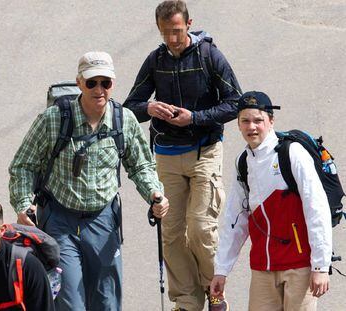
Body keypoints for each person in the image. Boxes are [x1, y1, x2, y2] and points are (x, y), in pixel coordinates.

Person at [9, 51, 169, 311]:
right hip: (60, 221)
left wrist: (154, 194)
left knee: (107, 302)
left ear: (113, 84)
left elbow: (141, 165)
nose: (99, 89)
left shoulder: (123, 120)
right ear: (79, 82)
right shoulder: (54, 119)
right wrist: (23, 204)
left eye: (105, 83)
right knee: (70, 303)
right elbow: (23, 165)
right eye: (92, 82)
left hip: (103, 222)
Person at [123, 1, 242, 310]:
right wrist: (149, 107)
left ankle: (214, 291)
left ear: (190, 24)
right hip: (166, 155)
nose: (172, 39)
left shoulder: (209, 56)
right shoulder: (155, 60)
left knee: (201, 227)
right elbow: (129, 107)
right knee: (171, 233)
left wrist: (196, 117)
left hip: (205, 150)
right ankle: (187, 301)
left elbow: (235, 102)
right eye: (165, 33)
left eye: (176, 31)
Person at [210, 91, 332, 311]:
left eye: (258, 120)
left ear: (271, 121)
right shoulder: (243, 162)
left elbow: (317, 207)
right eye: (245, 121)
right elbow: (235, 218)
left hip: (299, 266)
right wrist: (221, 269)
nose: (252, 127)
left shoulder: (292, 153)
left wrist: (321, 266)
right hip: (263, 268)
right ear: (238, 124)